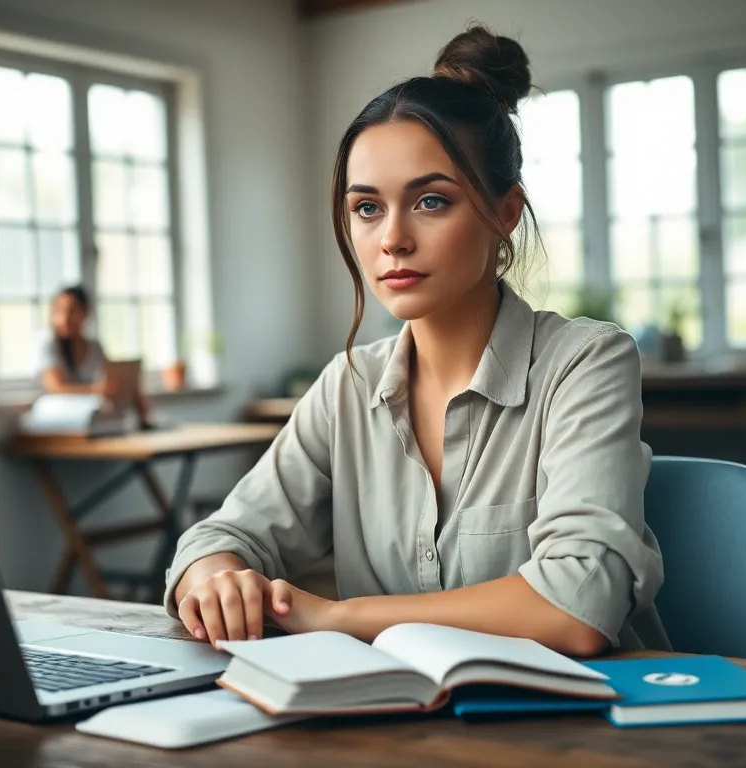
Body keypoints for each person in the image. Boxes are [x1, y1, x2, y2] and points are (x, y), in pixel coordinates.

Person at [165, 24, 668, 657]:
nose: (391, 239)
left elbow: (576, 607)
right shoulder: (346, 388)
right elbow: (222, 537)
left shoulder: (586, 362)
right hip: (398, 730)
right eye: (367, 208)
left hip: (583, 732)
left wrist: (341, 618)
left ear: (506, 213)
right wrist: (214, 576)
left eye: (431, 202)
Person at [38, 285, 116, 398]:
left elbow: (110, 378)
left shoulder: (95, 346)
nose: (65, 318)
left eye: (72, 311)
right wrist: (96, 389)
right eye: (59, 311)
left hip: (88, 409)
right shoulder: (48, 343)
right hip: (54, 410)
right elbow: (55, 388)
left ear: (85, 313)